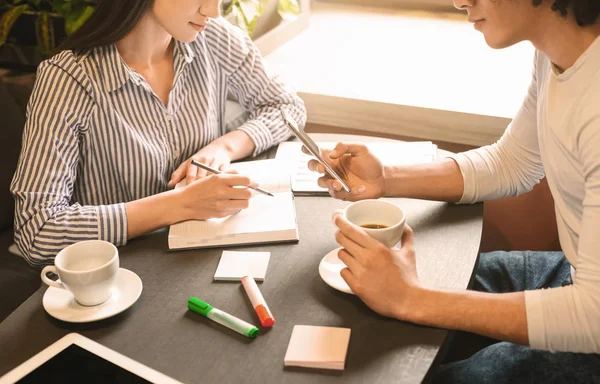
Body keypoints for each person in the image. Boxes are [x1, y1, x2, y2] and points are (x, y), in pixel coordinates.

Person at [308, 0, 600, 382]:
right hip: (577, 275)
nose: (461, 1)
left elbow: (592, 316)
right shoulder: (555, 53)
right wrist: (386, 179)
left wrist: (412, 299)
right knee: (396, 288)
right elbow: (515, 162)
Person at [10, 0, 306, 266]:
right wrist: (179, 204)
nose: (213, 10)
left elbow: (287, 106)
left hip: (200, 257)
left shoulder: (212, 37)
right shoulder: (68, 80)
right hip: (118, 278)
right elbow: (35, 232)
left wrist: (224, 147)